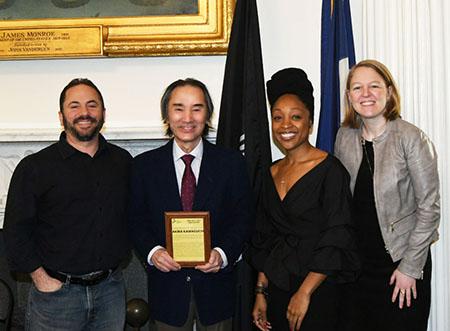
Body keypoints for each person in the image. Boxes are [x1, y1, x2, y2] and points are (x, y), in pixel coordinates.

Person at [3, 78, 132, 331]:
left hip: (110, 293)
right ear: (61, 117)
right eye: (75, 106)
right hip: (56, 297)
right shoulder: (35, 167)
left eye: (92, 105)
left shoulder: (122, 162)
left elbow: (134, 217)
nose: (84, 113)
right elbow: (16, 230)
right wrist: (40, 278)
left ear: (103, 113)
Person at [128, 78, 253, 331]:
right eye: (178, 108)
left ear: (207, 115)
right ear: (167, 115)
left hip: (217, 289)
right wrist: (153, 253)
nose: (188, 118)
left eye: (197, 108)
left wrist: (223, 254)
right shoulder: (144, 167)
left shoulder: (231, 164)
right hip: (167, 290)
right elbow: (134, 220)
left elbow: (244, 217)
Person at [245, 68, 359, 331]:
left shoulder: (330, 170)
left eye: (296, 117)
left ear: (310, 123)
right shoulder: (269, 173)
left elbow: (337, 237)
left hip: (318, 290)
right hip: (277, 287)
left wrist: (304, 293)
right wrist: (261, 292)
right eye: (277, 117)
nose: (286, 125)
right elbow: (265, 238)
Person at [334, 59, 440, 331]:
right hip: (357, 270)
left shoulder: (411, 138)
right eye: (357, 88)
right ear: (349, 96)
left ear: (389, 92)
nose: (365, 94)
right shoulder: (344, 137)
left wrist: (410, 268)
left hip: (400, 267)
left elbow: (429, 209)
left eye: (374, 86)